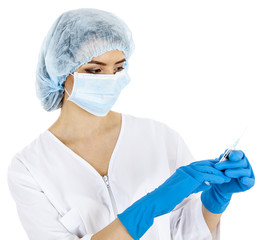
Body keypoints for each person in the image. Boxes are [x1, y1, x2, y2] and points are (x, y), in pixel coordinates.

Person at [7, 8, 255, 240]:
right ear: (60, 71)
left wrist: (216, 200)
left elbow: (185, 232)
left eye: (118, 68)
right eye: (94, 70)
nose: (110, 80)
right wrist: (150, 206)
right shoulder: (30, 168)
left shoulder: (159, 137)